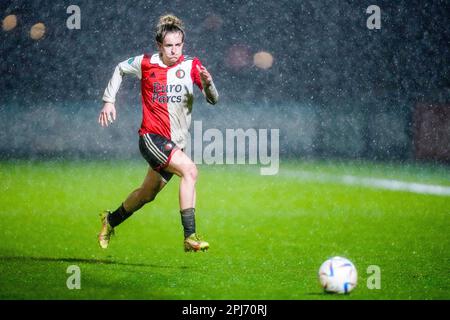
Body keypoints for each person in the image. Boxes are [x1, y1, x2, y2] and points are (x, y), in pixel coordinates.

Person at [97, 14, 218, 252]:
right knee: (190, 171)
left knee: (146, 194)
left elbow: (213, 100)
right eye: (168, 46)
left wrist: (209, 83)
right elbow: (120, 68)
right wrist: (109, 100)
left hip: (175, 144)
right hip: (151, 138)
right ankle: (190, 236)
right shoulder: (146, 63)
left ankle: (110, 221)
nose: (174, 51)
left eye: (178, 45)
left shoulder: (191, 66)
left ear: (183, 44)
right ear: (159, 46)